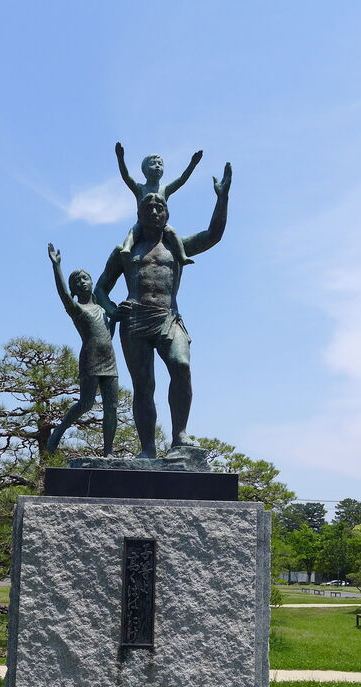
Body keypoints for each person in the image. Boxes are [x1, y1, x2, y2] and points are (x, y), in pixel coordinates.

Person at [94, 164, 232, 459]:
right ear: (139, 214)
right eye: (149, 208)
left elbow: (213, 235)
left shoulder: (176, 246)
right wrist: (113, 310)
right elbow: (100, 288)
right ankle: (148, 449)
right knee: (144, 386)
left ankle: (180, 435)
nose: (155, 211)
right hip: (134, 320)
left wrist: (222, 198)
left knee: (181, 365)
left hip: (169, 317)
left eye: (160, 208)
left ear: (167, 214)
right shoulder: (125, 251)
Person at [46, 244, 118, 456]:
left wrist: (116, 318)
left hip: (110, 359)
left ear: (92, 282)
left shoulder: (102, 309)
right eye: (76, 281)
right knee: (86, 403)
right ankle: (59, 431)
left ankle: (108, 452)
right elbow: (63, 294)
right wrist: (56, 266)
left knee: (112, 407)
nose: (82, 282)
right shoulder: (76, 309)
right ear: (74, 289)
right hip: (90, 358)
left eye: (85, 278)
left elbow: (109, 335)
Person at [115, 143, 203, 266]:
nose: (157, 166)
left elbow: (181, 180)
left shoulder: (165, 189)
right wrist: (120, 158)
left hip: (161, 225)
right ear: (144, 170)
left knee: (172, 232)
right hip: (142, 224)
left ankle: (182, 256)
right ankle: (127, 248)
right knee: (134, 231)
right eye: (153, 164)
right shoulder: (140, 188)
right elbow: (126, 177)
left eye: (160, 164)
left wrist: (192, 164)